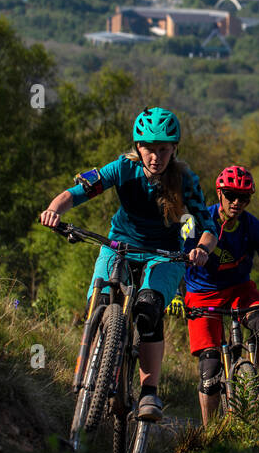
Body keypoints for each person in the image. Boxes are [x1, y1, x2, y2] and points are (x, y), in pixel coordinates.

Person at [39, 107, 217, 422]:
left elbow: (208, 226)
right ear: (138, 147)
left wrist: (201, 249)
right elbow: (79, 192)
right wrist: (54, 210)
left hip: (164, 254)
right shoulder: (122, 168)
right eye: (149, 148)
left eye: (163, 149)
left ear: (174, 148)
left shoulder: (185, 179)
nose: (155, 156)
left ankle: (150, 393)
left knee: (148, 309)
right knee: (101, 297)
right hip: (118, 246)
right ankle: (88, 369)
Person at [170, 165, 259, 425]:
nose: (237, 202)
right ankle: (210, 432)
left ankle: (248, 377)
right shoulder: (196, 221)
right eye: (230, 194)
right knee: (210, 371)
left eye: (244, 197)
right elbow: (175, 259)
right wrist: (175, 294)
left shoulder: (252, 227)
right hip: (201, 295)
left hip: (240, 291)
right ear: (219, 193)